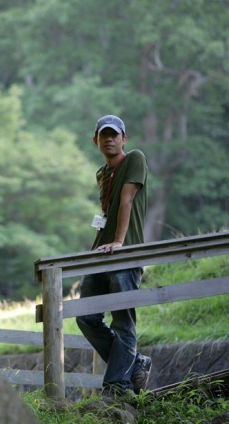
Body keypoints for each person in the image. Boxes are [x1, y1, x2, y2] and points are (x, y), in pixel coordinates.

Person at [76, 114, 152, 397]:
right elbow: (106, 215)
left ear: (124, 139)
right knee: (86, 316)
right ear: (95, 140)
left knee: (123, 320)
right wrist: (99, 247)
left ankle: (117, 387)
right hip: (101, 253)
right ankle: (136, 363)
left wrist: (120, 243)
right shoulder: (102, 173)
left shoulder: (135, 159)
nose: (109, 139)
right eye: (103, 135)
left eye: (114, 134)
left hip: (125, 252)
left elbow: (127, 199)